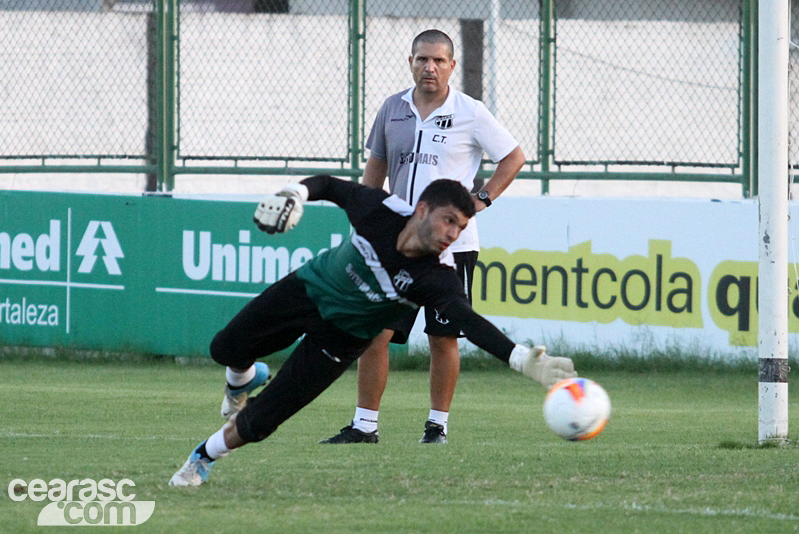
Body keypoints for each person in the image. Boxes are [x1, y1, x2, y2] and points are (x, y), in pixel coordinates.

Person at [169, 175, 576, 487]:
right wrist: (295, 193)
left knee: (260, 424)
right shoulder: (379, 209)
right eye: (448, 220)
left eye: (461, 225)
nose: (453, 233)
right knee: (224, 348)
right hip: (309, 290)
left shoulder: (438, 277)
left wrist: (520, 359)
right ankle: (242, 381)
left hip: (340, 339)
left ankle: (202, 458)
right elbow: (329, 186)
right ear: (421, 210)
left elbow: (467, 319)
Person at [320, 29, 526, 445]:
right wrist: (364, 220)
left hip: (451, 248)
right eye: (421, 60)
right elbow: (375, 168)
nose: (429, 67)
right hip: (396, 244)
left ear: (451, 65)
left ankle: (437, 427)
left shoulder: (471, 111)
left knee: (443, 335)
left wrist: (482, 199)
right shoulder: (392, 109)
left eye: (437, 60)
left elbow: (514, 156)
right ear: (410, 62)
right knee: (373, 331)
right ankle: (364, 427)